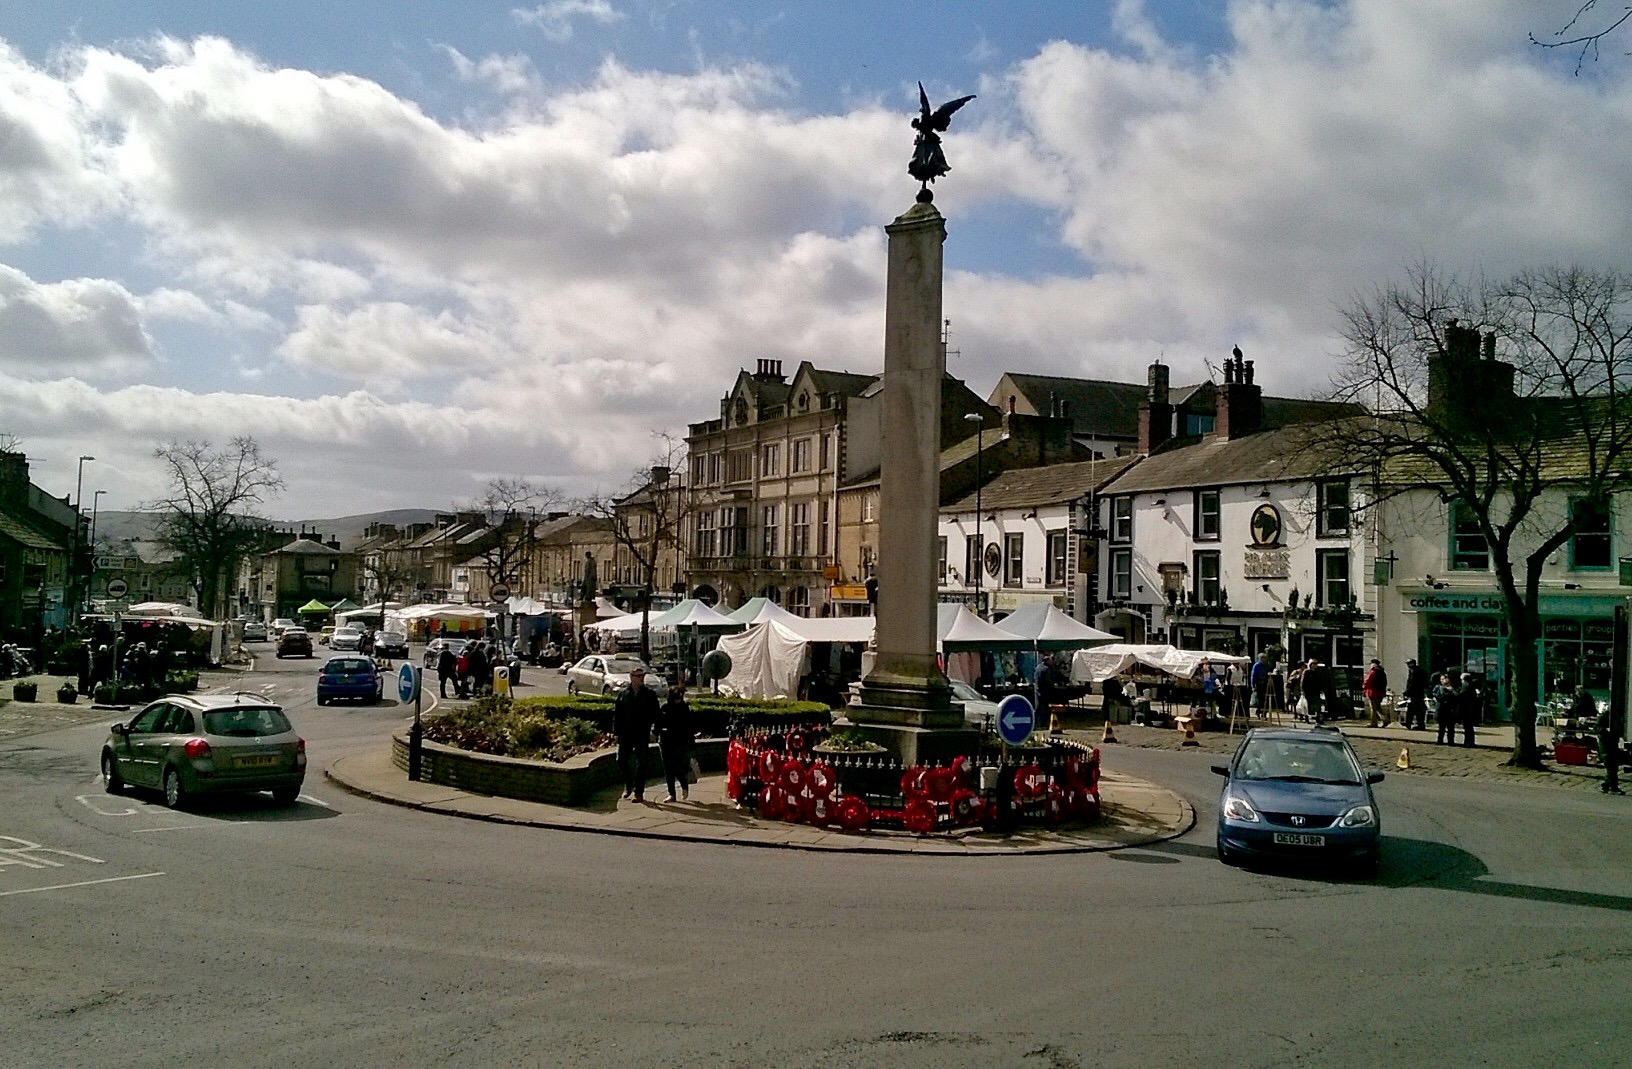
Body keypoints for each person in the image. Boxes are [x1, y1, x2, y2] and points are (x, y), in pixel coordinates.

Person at [613, 667, 659, 802]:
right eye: (638, 676)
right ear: (631, 677)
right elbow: (618, 715)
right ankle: (628, 785)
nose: (641, 678)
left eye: (642, 676)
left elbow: (656, 714)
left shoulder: (649, 694)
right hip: (626, 733)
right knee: (621, 759)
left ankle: (639, 792)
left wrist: (655, 731)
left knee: (642, 762)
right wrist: (616, 732)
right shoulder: (624, 694)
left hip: (642, 733)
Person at [656, 681, 694, 802]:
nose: (678, 700)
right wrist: (655, 732)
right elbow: (658, 722)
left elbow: (689, 726)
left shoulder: (684, 708)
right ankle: (671, 793)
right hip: (665, 740)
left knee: (677, 766)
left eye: (680, 698)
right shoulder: (664, 707)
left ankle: (684, 785)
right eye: (676, 698)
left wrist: (691, 741)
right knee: (668, 768)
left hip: (680, 740)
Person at [1432, 671, 1459, 745]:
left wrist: (1452, 690)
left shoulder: (1453, 688)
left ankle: (1451, 741)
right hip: (1441, 709)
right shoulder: (1438, 687)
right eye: (1442, 679)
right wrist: (1446, 694)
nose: (1443, 680)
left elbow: (1457, 697)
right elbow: (1437, 697)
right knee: (1441, 727)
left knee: (1451, 727)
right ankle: (1440, 740)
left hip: (1450, 709)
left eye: (1444, 679)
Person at [1402, 658, 1429, 731]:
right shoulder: (1420, 671)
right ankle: (1411, 723)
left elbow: (1412, 684)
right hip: (1419, 693)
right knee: (1416, 710)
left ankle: (1414, 724)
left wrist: (1407, 692)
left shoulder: (1414, 672)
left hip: (1415, 694)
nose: (1407, 666)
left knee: (1414, 710)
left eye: (1408, 664)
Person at [1362, 658, 1390, 727]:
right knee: (1378, 707)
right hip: (1380, 692)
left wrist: (1364, 687)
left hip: (1372, 692)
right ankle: (1385, 720)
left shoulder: (1373, 672)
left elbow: (1367, 681)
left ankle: (1374, 723)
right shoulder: (1382, 672)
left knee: (1373, 708)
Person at [1460, 672, 1480, 747]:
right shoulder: (1471, 686)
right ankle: (1469, 741)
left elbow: (1461, 696)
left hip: (1467, 708)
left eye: (1461, 679)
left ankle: (1468, 742)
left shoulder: (1466, 686)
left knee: (1467, 726)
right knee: (1468, 726)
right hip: (1470, 708)